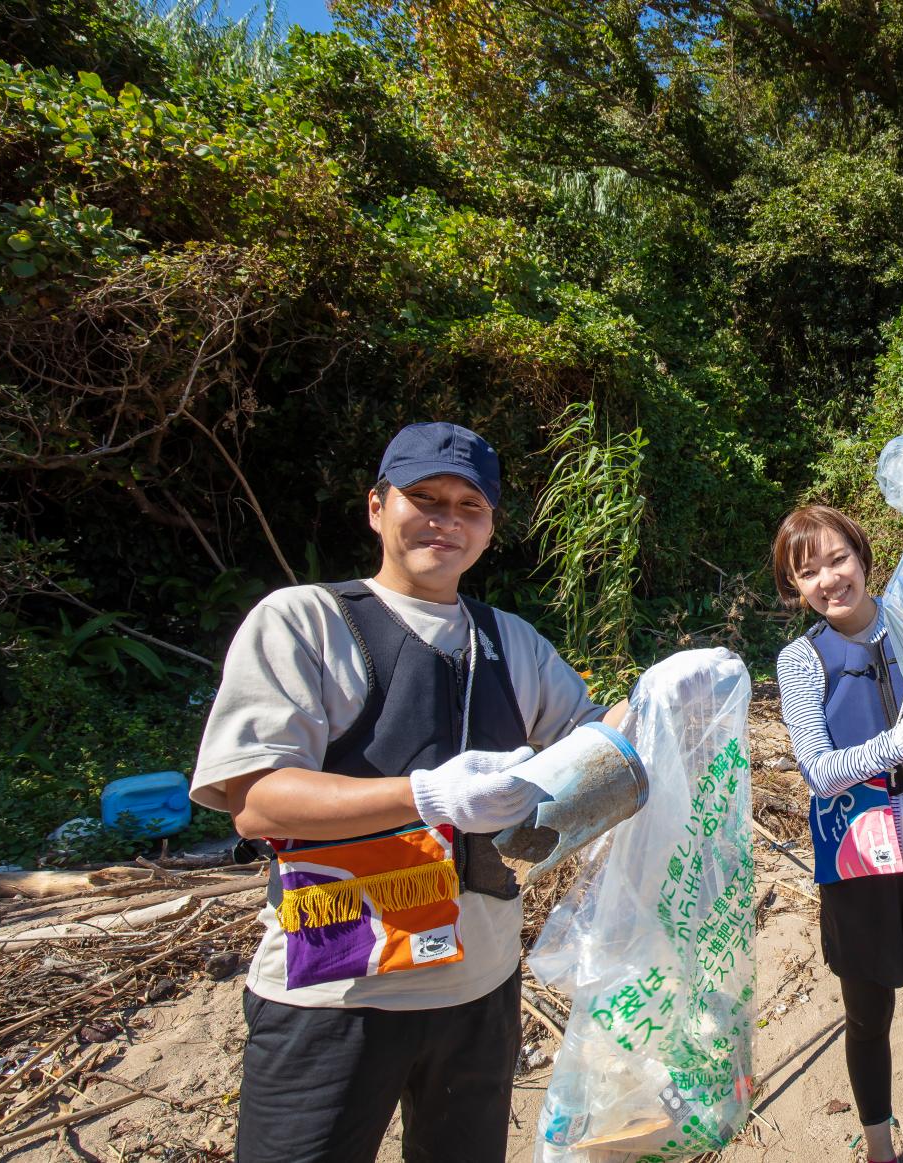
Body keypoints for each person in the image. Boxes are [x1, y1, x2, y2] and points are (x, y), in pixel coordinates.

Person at [190, 421, 627, 1162]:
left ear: (489, 525)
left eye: (469, 505)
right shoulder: (307, 621)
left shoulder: (510, 641)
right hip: (337, 989)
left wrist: (665, 702)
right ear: (376, 506)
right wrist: (426, 796)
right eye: (424, 498)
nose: (445, 520)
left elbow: (592, 746)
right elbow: (256, 798)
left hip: (480, 986)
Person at [772, 505, 903, 1163]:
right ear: (793, 588)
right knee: (867, 1018)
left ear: (863, 559)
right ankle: (876, 1149)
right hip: (857, 859)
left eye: (838, 559)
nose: (829, 578)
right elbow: (818, 770)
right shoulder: (800, 661)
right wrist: (896, 742)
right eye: (807, 571)